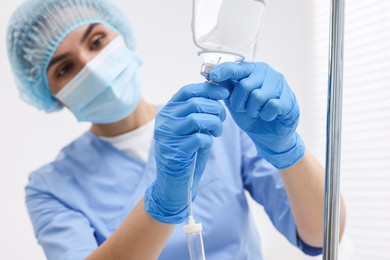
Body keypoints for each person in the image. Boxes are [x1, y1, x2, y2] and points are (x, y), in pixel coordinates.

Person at [7, 0, 346, 259]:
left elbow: (322, 233)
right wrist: (163, 203)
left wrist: (288, 148)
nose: (92, 67)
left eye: (96, 41)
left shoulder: (217, 123)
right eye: (65, 68)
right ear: (49, 94)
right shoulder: (50, 188)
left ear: (121, 36)